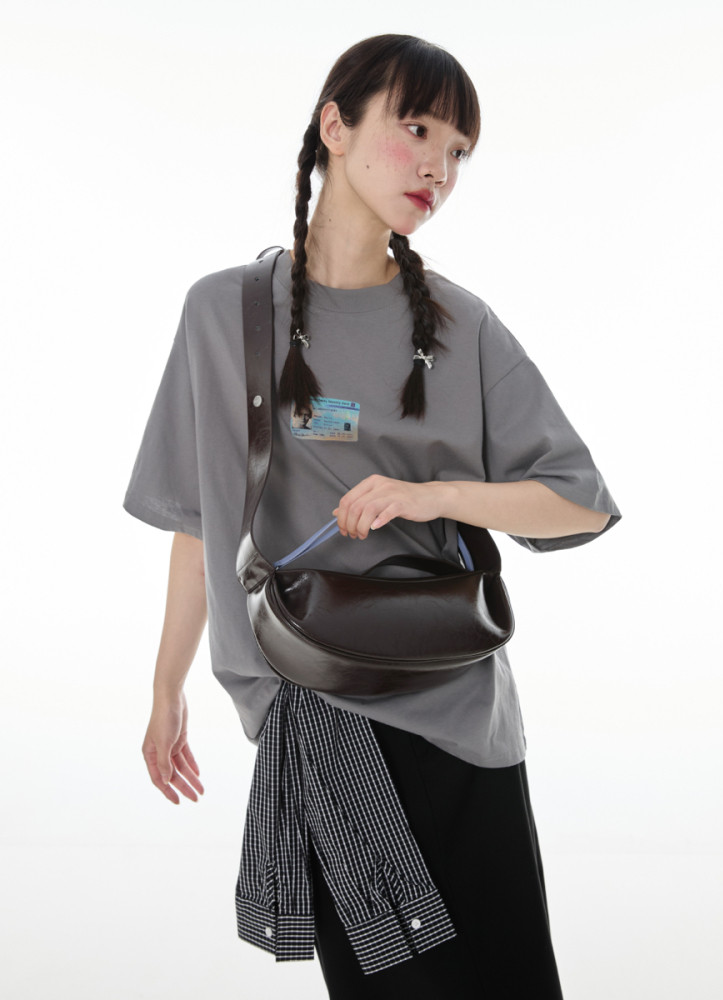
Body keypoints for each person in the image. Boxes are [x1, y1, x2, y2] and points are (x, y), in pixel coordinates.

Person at [123, 33, 621, 998]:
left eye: (460, 150)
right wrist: (165, 686)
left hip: (461, 715)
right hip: (321, 714)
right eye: (417, 128)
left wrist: (431, 494)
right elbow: (199, 519)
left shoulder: (462, 324)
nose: (439, 167)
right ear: (335, 127)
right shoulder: (224, 314)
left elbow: (579, 504)